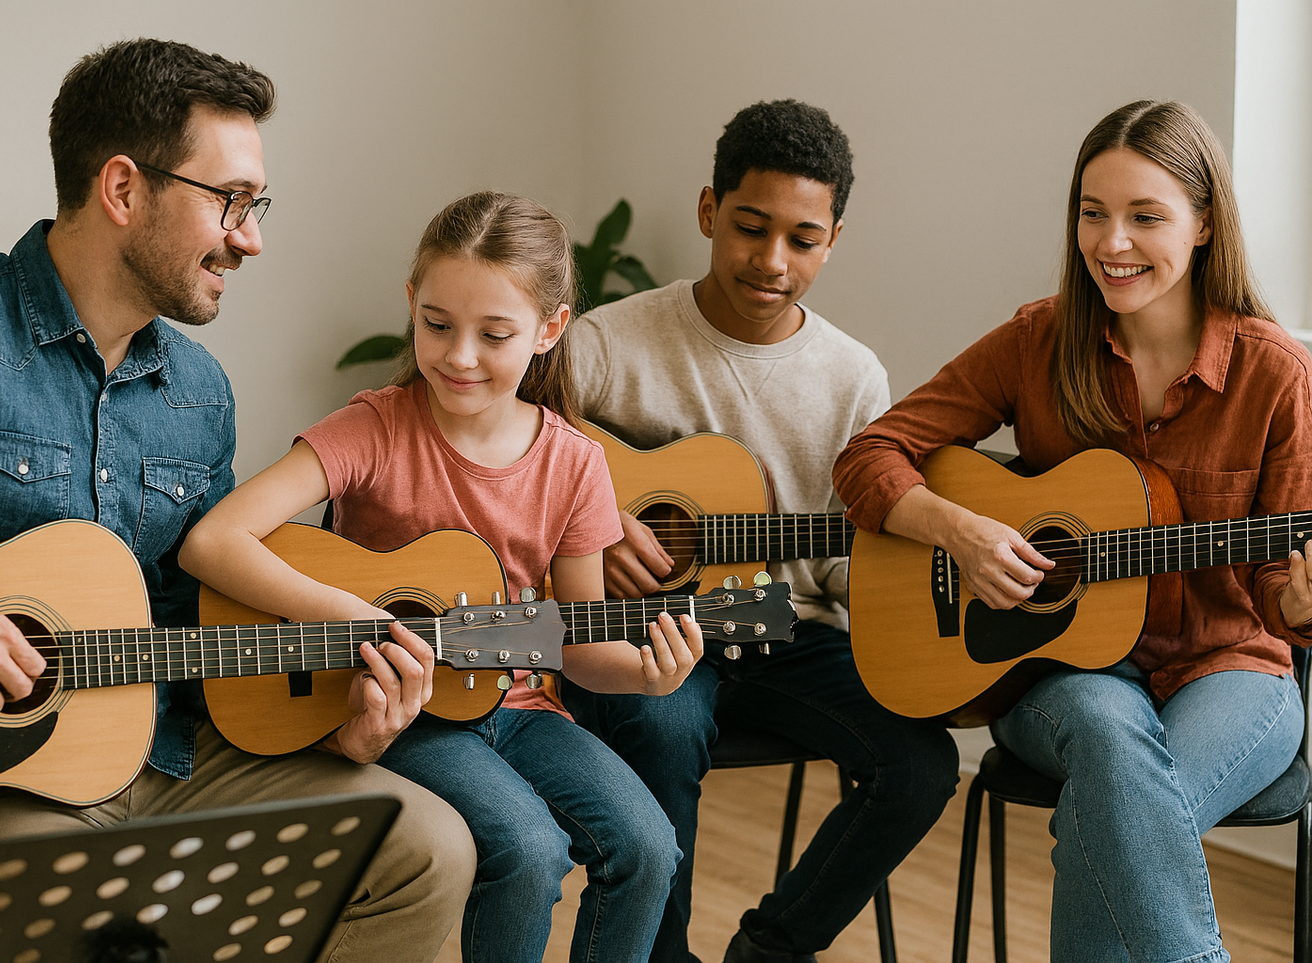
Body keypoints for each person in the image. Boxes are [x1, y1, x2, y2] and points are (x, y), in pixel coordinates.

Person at [0, 38, 476, 962]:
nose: (252, 236)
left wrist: (343, 728)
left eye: (257, 204)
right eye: (230, 201)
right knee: (106, 927)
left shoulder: (199, 392)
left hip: (158, 754)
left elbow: (195, 628)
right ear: (123, 189)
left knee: (423, 847)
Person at [833, 100, 1312, 963]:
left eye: (1144, 217)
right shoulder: (1038, 341)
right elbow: (871, 453)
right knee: (1106, 747)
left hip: (1230, 664)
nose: (1111, 242)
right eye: (1093, 213)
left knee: (1114, 808)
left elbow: (1282, 593)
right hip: (1061, 667)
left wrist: (1303, 602)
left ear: (1204, 224)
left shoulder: (1276, 374)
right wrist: (959, 533)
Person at [179, 190, 703, 963]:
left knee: (651, 848)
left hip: (521, 706)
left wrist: (649, 677)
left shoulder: (573, 462)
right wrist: (351, 615)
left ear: (548, 330)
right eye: (437, 324)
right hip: (401, 708)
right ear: (412, 303)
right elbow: (212, 540)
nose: (459, 356)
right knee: (526, 849)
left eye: (494, 335)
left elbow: (576, 641)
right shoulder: (375, 427)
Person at [562, 99, 961, 963]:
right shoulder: (604, 345)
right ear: (709, 211)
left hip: (781, 628)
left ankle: (768, 951)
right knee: (661, 727)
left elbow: (857, 549)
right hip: (648, 631)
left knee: (922, 763)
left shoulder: (854, 377)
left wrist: (933, 563)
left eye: (803, 239)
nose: (772, 261)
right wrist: (594, 521)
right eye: (749, 227)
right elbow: (511, 470)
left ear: (833, 240)